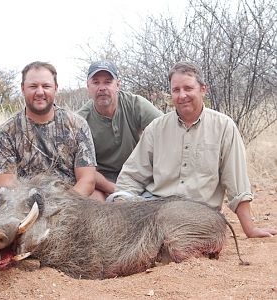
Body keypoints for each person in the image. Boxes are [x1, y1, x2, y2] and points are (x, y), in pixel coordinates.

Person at [115, 61, 277, 238]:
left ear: (203, 89)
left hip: (200, 216)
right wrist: (123, 206)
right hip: (156, 209)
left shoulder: (224, 126)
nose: (182, 95)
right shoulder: (156, 128)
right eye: (176, 90)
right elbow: (131, 176)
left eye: (188, 88)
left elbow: (236, 184)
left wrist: (250, 229)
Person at [0, 61, 97, 198]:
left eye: (46, 86)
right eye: (33, 86)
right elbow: (4, 188)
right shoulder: (5, 133)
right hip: (25, 208)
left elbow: (87, 181)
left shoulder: (77, 125)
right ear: (23, 88)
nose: (40, 92)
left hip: (70, 205)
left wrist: (60, 206)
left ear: (56, 88)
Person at [78, 60, 163, 199]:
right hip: (103, 181)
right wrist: (117, 190)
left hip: (137, 174)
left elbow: (164, 130)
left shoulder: (135, 104)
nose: (102, 88)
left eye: (107, 82)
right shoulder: (80, 121)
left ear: (118, 85)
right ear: (88, 87)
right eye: (96, 82)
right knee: (93, 200)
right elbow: (84, 171)